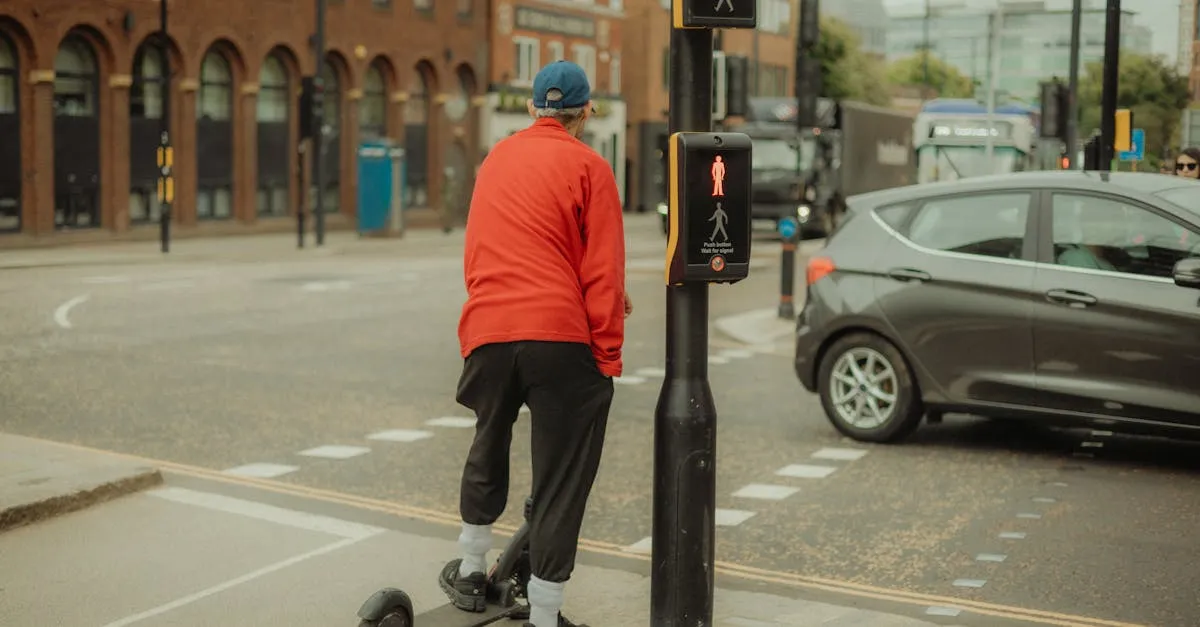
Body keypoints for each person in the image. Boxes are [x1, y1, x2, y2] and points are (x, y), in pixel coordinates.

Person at [441, 60, 629, 627]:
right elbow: (603, 273)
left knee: (489, 435)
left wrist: (489, 313)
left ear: (532, 108)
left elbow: (477, 252)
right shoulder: (591, 167)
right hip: (559, 335)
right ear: (585, 112)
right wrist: (607, 355)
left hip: (491, 327)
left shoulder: (495, 159)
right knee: (561, 476)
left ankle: (471, 567)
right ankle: (544, 612)